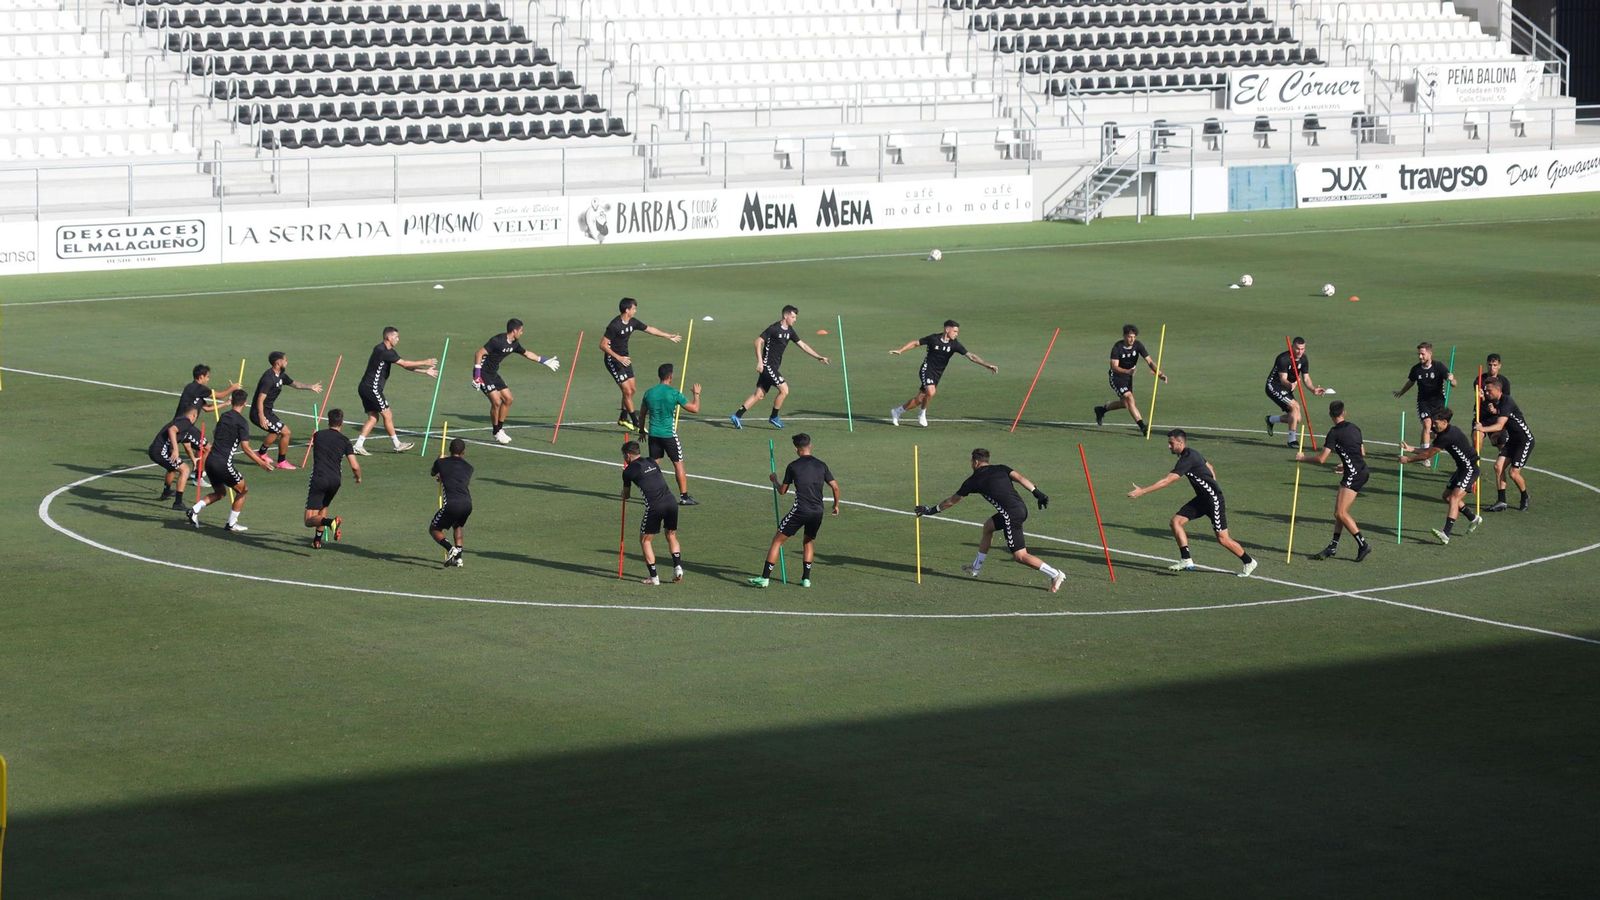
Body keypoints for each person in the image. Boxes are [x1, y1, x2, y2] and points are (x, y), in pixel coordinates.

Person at [914, 448, 1066, 592]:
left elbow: (952, 501)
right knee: (988, 527)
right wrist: (1037, 493)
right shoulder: (1001, 468)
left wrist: (931, 510)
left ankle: (1054, 574)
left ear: (975, 462)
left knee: (1020, 556)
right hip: (1021, 508)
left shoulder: (973, 480)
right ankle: (976, 568)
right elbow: (1020, 478)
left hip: (1010, 515)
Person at [1127, 429, 1259, 577]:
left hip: (1213, 500)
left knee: (1223, 538)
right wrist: (1211, 483)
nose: (1169, 446)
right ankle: (1186, 559)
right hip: (1202, 499)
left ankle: (1249, 561)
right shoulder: (1191, 453)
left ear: (1180, 442)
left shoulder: (1187, 459)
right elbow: (1210, 466)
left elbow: (1168, 480)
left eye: (1171, 443)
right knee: (1175, 522)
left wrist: (1142, 491)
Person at [749, 433, 840, 589]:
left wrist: (774, 480)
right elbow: (835, 486)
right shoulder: (821, 465)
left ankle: (765, 578)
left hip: (801, 511)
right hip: (818, 511)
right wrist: (836, 505)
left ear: (796, 449)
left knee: (777, 541)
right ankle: (806, 579)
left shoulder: (793, 466)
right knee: (808, 541)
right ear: (810, 446)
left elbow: (782, 491)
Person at [186, 389, 275, 532]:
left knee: (220, 493)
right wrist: (262, 463)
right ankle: (231, 524)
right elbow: (246, 448)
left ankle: (194, 510)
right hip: (223, 463)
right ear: (245, 404)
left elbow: (216, 433)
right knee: (243, 490)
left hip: (210, 461)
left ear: (232, 401)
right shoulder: (242, 423)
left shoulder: (224, 416)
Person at [729, 305, 830, 430]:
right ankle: (774, 417)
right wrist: (760, 362)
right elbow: (757, 342)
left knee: (759, 395)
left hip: (773, 368)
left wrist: (818, 357)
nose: (795, 319)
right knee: (784, 390)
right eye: (793, 317)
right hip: (768, 367)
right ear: (785, 316)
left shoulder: (790, 331)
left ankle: (736, 415)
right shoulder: (774, 329)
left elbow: (803, 345)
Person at [1294, 401, 1372, 562]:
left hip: (1354, 474)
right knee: (1339, 512)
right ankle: (1333, 546)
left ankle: (1363, 544)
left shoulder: (1333, 433)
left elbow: (1322, 459)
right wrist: (1345, 464)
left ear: (1331, 415)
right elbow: (1361, 452)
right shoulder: (1355, 428)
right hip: (1361, 470)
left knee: (1340, 513)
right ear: (1344, 412)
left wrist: (1303, 458)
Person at [1398, 407, 1484, 545]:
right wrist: (1411, 449)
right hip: (1461, 469)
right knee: (1447, 497)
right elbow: (1429, 450)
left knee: (1454, 498)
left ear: (1444, 422)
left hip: (1470, 469)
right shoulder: (1445, 432)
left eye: (1435, 423)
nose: (1433, 425)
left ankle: (1446, 534)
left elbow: (1427, 455)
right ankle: (1473, 518)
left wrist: (1407, 460)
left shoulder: (1448, 436)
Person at [888, 320, 998, 427]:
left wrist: (987, 365)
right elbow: (916, 343)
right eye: (955, 331)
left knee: (920, 398)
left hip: (937, 374)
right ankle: (922, 414)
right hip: (927, 369)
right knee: (931, 392)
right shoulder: (933, 338)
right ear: (947, 329)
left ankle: (897, 411)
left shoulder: (955, 344)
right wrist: (901, 350)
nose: (956, 334)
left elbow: (971, 356)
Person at [600, 297, 682, 432]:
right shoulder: (614, 325)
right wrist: (618, 358)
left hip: (625, 359)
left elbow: (650, 329)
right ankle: (636, 423)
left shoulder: (632, 322)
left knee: (632, 390)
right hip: (613, 360)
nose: (635, 310)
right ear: (627, 310)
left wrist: (668, 336)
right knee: (627, 391)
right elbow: (602, 345)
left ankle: (623, 417)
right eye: (634, 308)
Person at [472, 317, 560, 445]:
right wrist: (477, 375)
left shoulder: (514, 344)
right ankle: (496, 431)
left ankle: (500, 429)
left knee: (508, 399)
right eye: (521, 330)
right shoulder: (497, 340)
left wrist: (544, 360)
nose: (522, 333)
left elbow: (527, 353)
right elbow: (478, 353)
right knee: (496, 401)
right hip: (483, 373)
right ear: (514, 331)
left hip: (493, 373)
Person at [354, 326, 438, 456]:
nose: (398, 339)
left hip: (365, 387)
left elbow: (406, 366)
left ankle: (358, 445)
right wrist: (425, 362)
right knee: (387, 415)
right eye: (396, 337)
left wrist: (425, 371)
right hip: (372, 388)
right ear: (389, 337)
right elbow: (405, 363)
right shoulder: (383, 351)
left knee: (373, 417)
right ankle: (397, 444)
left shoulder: (386, 351)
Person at [638, 363, 702, 505]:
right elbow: (694, 409)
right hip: (669, 435)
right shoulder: (674, 393)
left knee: (652, 466)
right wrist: (696, 394)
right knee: (678, 464)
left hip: (654, 435)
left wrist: (642, 430)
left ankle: (649, 495)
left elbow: (642, 415)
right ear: (670, 376)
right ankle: (684, 497)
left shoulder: (649, 393)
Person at [621, 440, 682, 585]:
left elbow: (626, 495)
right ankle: (678, 567)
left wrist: (623, 490)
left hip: (655, 506)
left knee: (645, 540)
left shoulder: (628, 472)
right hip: (671, 502)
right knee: (671, 535)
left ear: (628, 455)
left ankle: (654, 577)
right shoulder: (651, 461)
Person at [252, 351, 323, 470]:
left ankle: (261, 453)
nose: (287, 362)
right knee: (286, 432)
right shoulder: (268, 378)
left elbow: (295, 384)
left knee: (275, 431)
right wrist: (261, 416)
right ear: (278, 362)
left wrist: (310, 387)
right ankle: (281, 461)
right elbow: (260, 399)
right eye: (285, 360)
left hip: (267, 412)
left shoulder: (281, 375)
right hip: (259, 412)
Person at [1093, 324, 1166, 437]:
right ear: (1124, 336)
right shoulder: (1117, 347)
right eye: (1129, 336)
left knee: (1125, 404)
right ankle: (1143, 427)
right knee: (1129, 398)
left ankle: (1102, 409)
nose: (1132, 339)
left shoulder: (1138, 345)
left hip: (1128, 377)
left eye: (1134, 337)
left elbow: (1150, 361)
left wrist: (1159, 373)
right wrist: (1127, 371)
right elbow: (1114, 366)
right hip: (1116, 376)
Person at [304, 408, 361, 549]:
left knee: (308, 519)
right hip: (335, 480)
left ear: (328, 420)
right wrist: (358, 477)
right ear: (342, 422)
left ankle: (331, 523)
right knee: (323, 506)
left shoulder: (317, 435)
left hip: (319, 478)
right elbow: (354, 466)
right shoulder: (345, 441)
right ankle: (317, 540)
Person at [1476, 378, 1533, 512]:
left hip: (1524, 441)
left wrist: (1482, 429)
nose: (1487, 392)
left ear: (1498, 390)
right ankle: (1501, 501)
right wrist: (1485, 401)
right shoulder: (1497, 401)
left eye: (1489, 390)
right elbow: (1499, 413)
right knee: (1498, 466)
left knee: (1513, 473)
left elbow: (1500, 425)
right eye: (1486, 390)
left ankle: (1525, 496)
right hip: (1512, 440)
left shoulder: (1507, 401)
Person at [174, 363, 241, 475]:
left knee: (199, 449)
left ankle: (195, 472)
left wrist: (226, 404)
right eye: (207, 377)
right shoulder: (198, 388)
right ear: (201, 377)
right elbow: (218, 395)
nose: (208, 379)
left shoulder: (194, 390)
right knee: (207, 448)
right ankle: (198, 476)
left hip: (183, 425)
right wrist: (233, 388)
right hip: (184, 426)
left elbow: (207, 408)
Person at [1264, 337, 1326, 448]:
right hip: (1274, 386)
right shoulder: (1283, 358)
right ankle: (1291, 440)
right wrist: (1291, 385)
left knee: (1296, 418)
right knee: (1295, 407)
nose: (1300, 351)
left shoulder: (1304, 359)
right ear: (1292, 347)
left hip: (1287, 388)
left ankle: (1271, 419)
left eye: (1302, 349)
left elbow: (1306, 378)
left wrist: (1313, 389)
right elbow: (1283, 379)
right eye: (1297, 349)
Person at [1392, 341, 1454, 451]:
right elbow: (1410, 382)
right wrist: (1401, 392)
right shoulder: (1416, 369)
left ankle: (1427, 442)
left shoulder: (1438, 366)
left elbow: (1454, 384)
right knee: (1426, 424)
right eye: (1419, 354)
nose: (1420, 356)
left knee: (1436, 429)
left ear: (1430, 354)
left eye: (1422, 354)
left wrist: (1451, 379)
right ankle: (1425, 456)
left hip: (1439, 402)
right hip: (1423, 402)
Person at [429, 438, 474, 567]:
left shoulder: (441, 462)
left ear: (449, 449)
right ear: (463, 452)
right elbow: (456, 478)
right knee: (458, 526)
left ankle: (450, 549)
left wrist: (439, 460)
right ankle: (459, 558)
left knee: (434, 529)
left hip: (452, 504)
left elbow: (433, 473)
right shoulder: (469, 468)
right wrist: (442, 476)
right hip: (467, 504)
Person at [149, 406, 203, 509]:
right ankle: (178, 503)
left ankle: (166, 492)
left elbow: (187, 445)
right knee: (185, 470)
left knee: (172, 468)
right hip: (160, 451)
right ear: (194, 415)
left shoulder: (182, 424)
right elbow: (172, 430)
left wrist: (194, 459)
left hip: (158, 450)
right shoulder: (185, 422)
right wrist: (175, 449)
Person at [1475, 353, 1511, 450]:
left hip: (1496, 417)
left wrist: (1496, 410)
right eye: (1490, 365)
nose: (1492, 368)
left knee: (1502, 443)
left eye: (1495, 365)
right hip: (1481, 416)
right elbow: (1480, 399)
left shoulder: (1504, 382)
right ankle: (1474, 463)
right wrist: (1481, 397)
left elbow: (1505, 402)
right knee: (1477, 438)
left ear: (1499, 366)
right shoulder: (1480, 380)